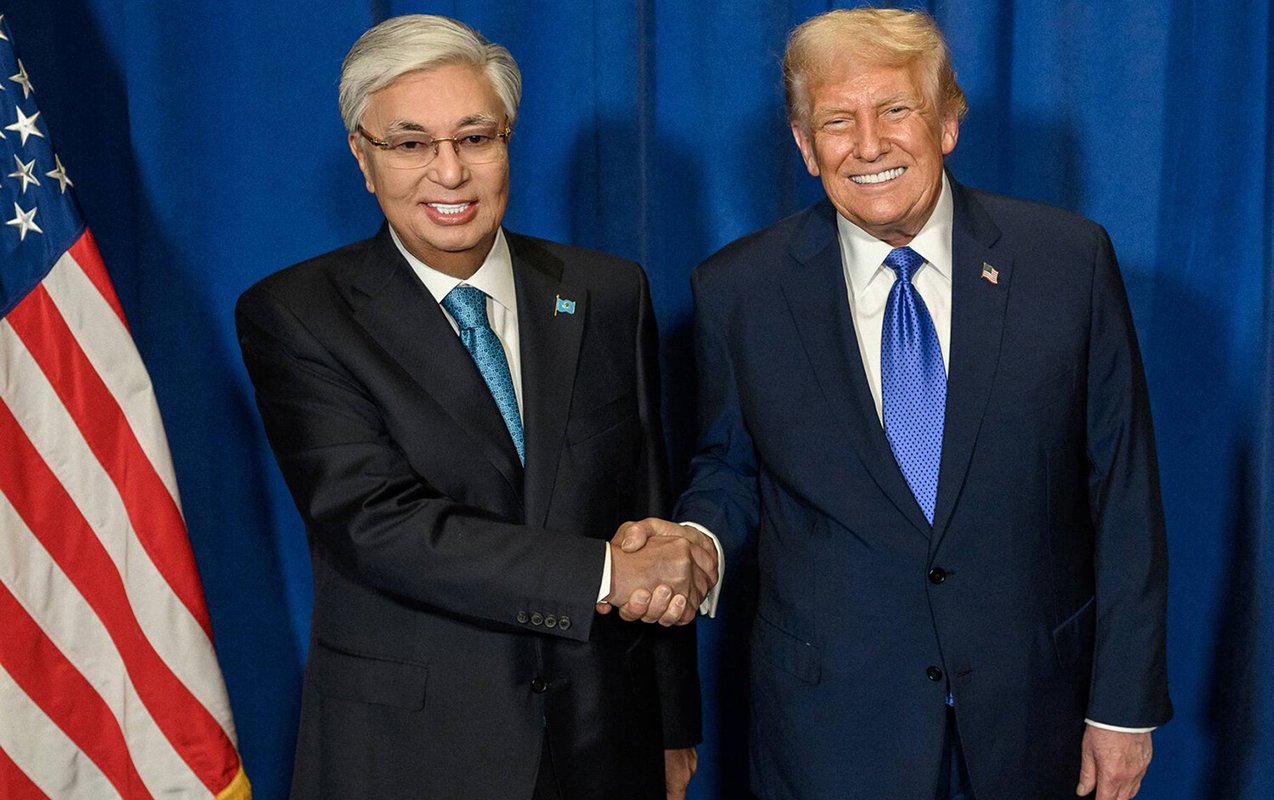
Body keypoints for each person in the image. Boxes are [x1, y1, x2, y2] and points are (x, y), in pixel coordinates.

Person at [616, 8, 1171, 799]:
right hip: (832, 728)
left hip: (1033, 717)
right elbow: (730, 468)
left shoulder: (1066, 261)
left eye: (895, 109)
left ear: (947, 122)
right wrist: (698, 544)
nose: (869, 144)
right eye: (837, 121)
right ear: (805, 145)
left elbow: (1123, 491)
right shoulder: (739, 289)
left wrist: (1123, 708)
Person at [235, 15, 715, 800]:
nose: (450, 173)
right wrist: (606, 572)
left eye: (474, 138)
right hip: (409, 753)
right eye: (411, 143)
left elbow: (646, 507)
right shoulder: (298, 314)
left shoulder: (605, 291)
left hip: (605, 744)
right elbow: (378, 525)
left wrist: (671, 724)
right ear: (362, 157)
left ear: (507, 140)